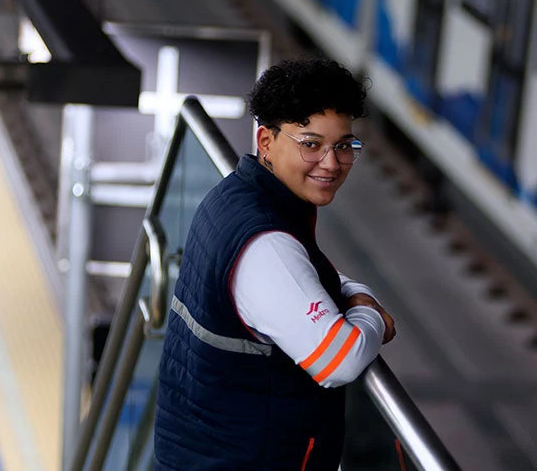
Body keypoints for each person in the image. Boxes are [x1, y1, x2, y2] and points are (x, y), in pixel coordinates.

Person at [154, 57, 396, 471]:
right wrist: (371, 316)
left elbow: (302, 276)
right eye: (311, 144)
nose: (331, 162)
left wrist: (356, 293)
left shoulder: (234, 198)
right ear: (266, 141)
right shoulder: (265, 241)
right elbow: (341, 360)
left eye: (344, 145)